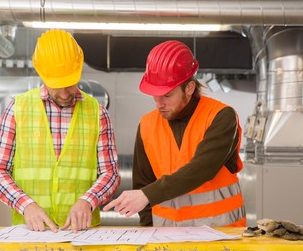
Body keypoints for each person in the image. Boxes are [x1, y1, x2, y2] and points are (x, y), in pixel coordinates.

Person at [0, 29, 121, 233]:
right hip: (30, 234)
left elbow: (110, 173)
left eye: (70, 84)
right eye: (57, 86)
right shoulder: (17, 109)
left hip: (81, 236)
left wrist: (88, 201)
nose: (65, 94)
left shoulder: (97, 113)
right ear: (42, 74)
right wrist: (26, 205)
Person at [103, 40, 246, 228]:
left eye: (167, 95)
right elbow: (143, 183)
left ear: (189, 88)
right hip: (169, 242)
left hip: (221, 240)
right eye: (154, 95)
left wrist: (148, 194)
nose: (158, 104)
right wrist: (149, 234)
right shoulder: (147, 125)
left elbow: (202, 168)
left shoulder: (220, 116)